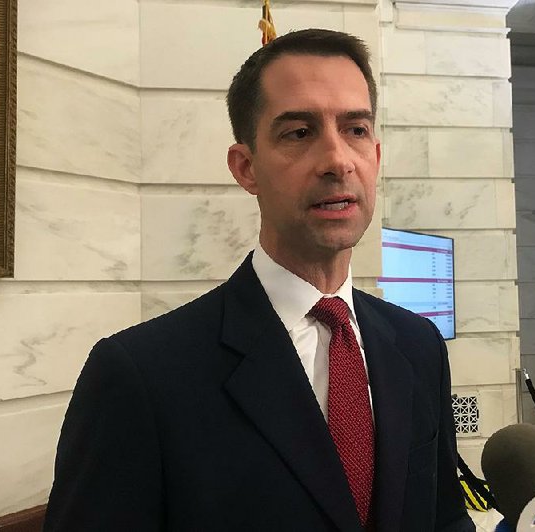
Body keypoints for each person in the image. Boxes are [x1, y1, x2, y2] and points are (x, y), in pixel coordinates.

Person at [44, 28, 474, 532]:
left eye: (356, 130)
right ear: (246, 167)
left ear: (375, 157)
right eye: (299, 132)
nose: (338, 160)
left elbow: (444, 519)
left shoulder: (418, 346)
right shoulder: (139, 376)